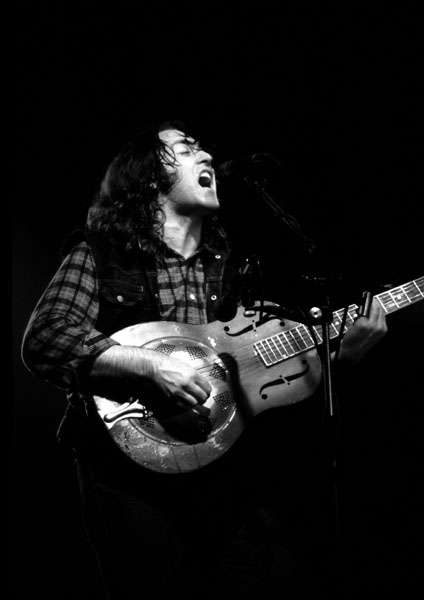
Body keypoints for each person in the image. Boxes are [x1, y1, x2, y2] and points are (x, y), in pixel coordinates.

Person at [21, 119, 388, 599]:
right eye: (187, 148)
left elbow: (264, 389)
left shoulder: (239, 272)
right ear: (149, 176)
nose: (208, 157)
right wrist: (146, 365)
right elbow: (47, 336)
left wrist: (341, 362)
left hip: (226, 475)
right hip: (127, 478)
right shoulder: (102, 254)